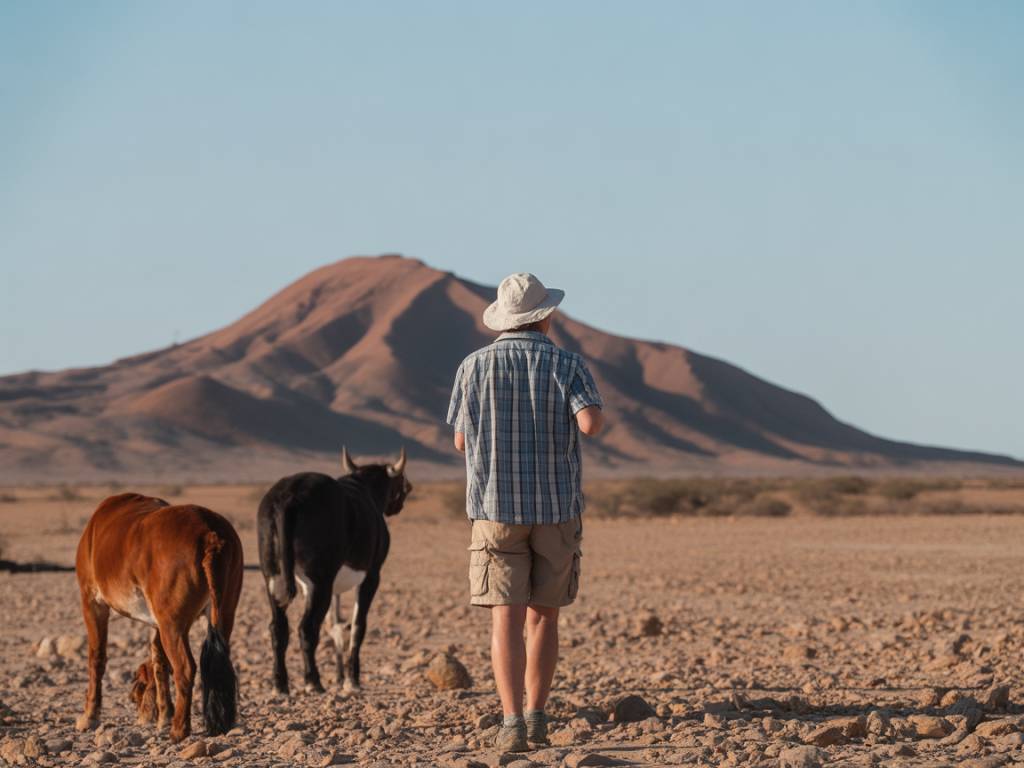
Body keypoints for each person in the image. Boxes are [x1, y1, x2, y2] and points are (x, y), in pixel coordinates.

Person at [446, 272, 604, 752]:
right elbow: (591, 425)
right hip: (555, 509)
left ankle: (511, 722)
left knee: (504, 619)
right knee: (544, 618)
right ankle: (537, 716)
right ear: (545, 316)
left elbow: (458, 439)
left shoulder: (473, 366)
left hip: (495, 509)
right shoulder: (568, 363)